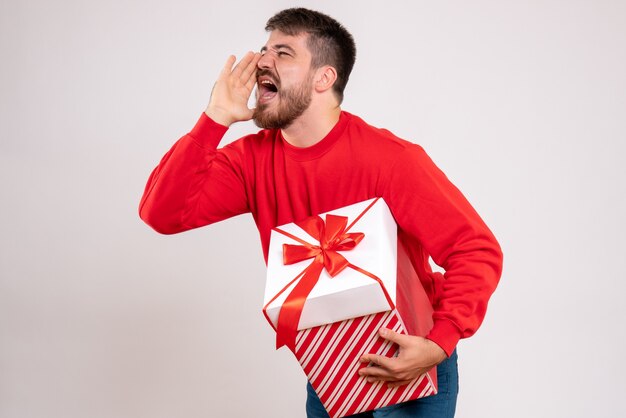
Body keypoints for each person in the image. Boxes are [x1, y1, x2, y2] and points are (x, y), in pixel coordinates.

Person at [139, 7, 503, 418]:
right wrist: (214, 118)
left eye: (283, 52)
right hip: (330, 365)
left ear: (323, 78)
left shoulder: (390, 159)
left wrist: (439, 341)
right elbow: (162, 213)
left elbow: (475, 249)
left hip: (412, 360)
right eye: (264, 50)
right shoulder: (249, 161)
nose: (262, 60)